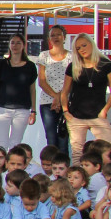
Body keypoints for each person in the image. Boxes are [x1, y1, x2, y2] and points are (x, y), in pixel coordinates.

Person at [59, 34, 111, 160]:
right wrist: (65, 111)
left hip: (98, 115)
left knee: (110, 152)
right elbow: (64, 92)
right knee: (77, 154)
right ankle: (76, 178)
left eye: (84, 45)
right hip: (76, 116)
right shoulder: (73, 66)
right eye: (78, 48)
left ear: (92, 44)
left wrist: (105, 110)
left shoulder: (106, 65)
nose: (82, 50)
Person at [0, 33, 38, 150]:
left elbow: (32, 89)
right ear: (9, 45)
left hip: (22, 110)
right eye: (12, 43)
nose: (15, 45)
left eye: (18, 43)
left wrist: (33, 110)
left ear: (23, 45)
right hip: (2, 109)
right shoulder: (1, 65)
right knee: (1, 144)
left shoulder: (30, 66)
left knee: (15, 144)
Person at [36, 25, 70, 153]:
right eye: (53, 35)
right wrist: (56, 97)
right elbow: (42, 81)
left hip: (66, 102)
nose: (56, 37)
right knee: (51, 139)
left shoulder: (72, 56)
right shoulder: (44, 55)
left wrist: (61, 97)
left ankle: (64, 169)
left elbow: (72, 80)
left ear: (64, 37)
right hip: (47, 102)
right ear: (49, 38)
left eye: (58, 34)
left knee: (63, 138)